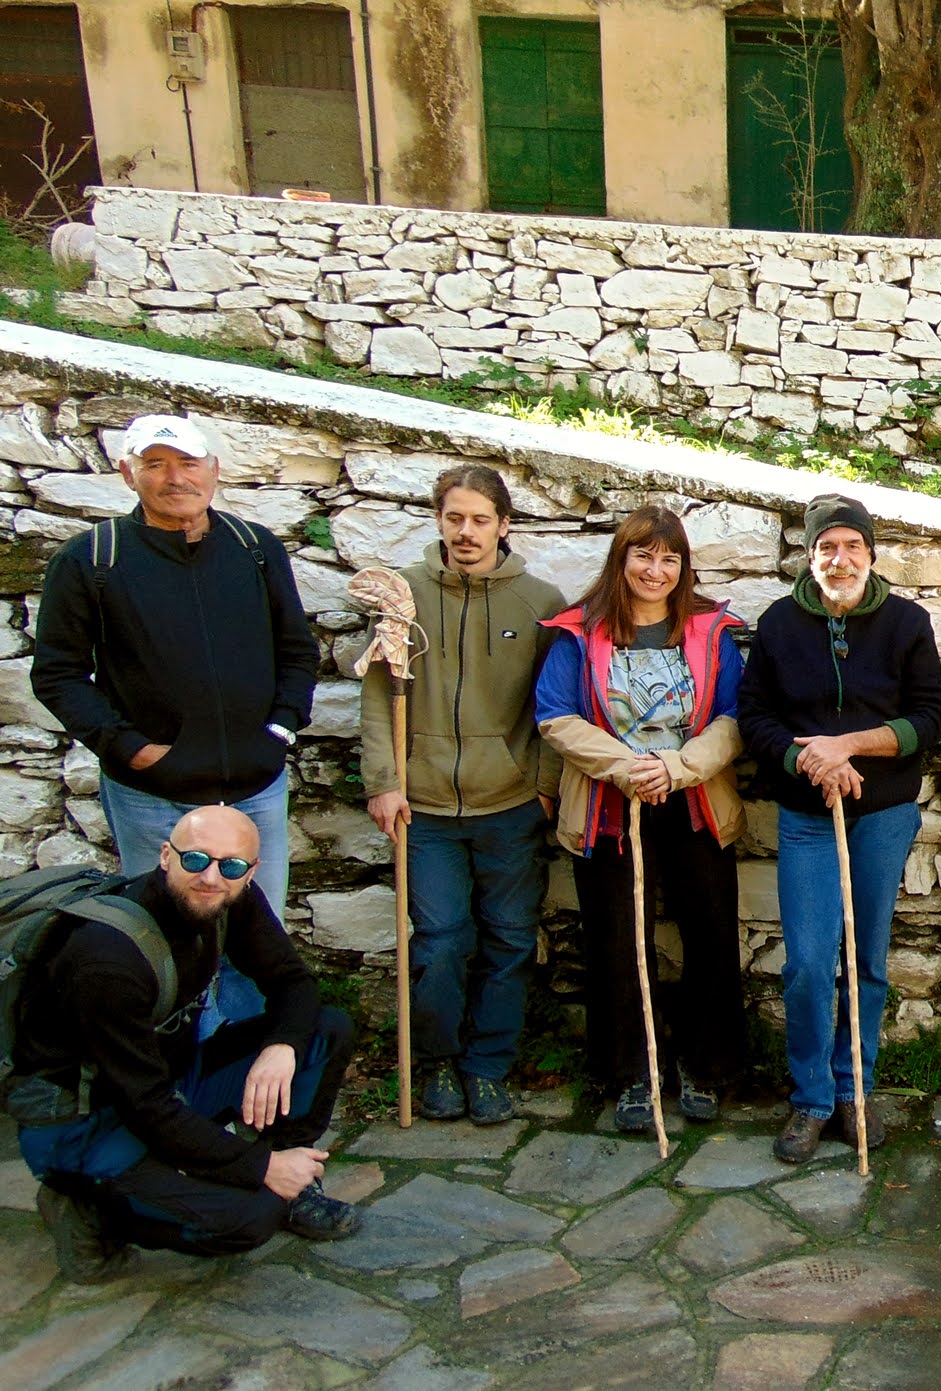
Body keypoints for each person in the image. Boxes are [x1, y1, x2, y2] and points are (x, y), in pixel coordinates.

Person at [31, 413, 318, 1032]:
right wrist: (129, 748)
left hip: (253, 790)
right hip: (153, 797)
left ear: (214, 470)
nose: (174, 478)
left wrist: (280, 732)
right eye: (156, 463)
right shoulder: (91, 560)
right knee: (161, 945)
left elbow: (296, 649)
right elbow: (56, 673)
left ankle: (243, 1078)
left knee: (256, 938)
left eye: (188, 463)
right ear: (128, 473)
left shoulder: (255, 549)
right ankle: (172, 1085)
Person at [9, 806, 359, 1281]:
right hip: (83, 1124)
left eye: (231, 866)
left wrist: (281, 1049)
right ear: (165, 856)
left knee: (322, 1030)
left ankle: (291, 1184)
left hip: (163, 1083)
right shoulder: (107, 962)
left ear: (250, 872)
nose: (212, 877)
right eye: (195, 859)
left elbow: (292, 981)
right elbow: (144, 1105)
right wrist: (257, 1166)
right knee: (246, 1221)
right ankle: (86, 1206)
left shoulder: (229, 900)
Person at [739, 494, 941, 1164]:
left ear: (871, 553)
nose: (839, 558)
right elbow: (754, 715)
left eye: (851, 546)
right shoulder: (778, 624)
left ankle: (855, 1087)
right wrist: (809, 757)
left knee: (866, 957)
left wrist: (849, 746)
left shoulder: (906, 622)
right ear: (809, 556)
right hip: (806, 814)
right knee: (806, 962)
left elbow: (930, 717)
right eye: (826, 547)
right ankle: (810, 1098)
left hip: (882, 813)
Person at [360, 466, 564, 1127]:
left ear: (505, 524)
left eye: (480, 519)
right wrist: (384, 782)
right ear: (438, 520)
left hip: (508, 805)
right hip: (423, 808)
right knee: (442, 939)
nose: (466, 531)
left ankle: (488, 1068)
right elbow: (374, 696)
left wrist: (542, 785)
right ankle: (438, 1063)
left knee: (508, 939)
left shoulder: (538, 600)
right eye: (455, 518)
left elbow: (552, 706)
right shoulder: (404, 596)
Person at [535, 506, 747, 1134]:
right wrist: (627, 765)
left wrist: (677, 767)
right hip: (608, 806)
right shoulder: (580, 631)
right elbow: (555, 715)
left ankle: (708, 1068)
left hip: (696, 802)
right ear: (621, 559)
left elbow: (735, 717)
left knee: (709, 935)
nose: (655, 571)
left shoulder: (710, 631)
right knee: (618, 941)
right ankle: (632, 1073)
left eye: (669, 558)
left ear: (683, 567)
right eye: (643, 556)